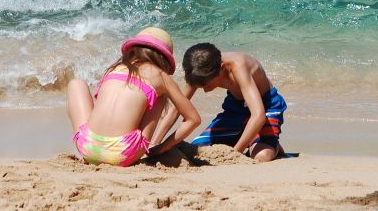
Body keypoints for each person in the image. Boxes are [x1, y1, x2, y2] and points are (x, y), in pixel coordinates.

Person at [66, 27, 201, 166]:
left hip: (88, 148)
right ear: (164, 58)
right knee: (159, 95)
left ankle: (92, 144)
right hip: (123, 153)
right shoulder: (160, 76)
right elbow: (194, 119)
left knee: (76, 83)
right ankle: (153, 144)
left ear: (132, 50)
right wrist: (162, 148)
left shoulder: (114, 69)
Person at [154, 43, 288, 162]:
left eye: (205, 84)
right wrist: (155, 143)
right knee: (198, 148)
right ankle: (252, 138)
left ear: (222, 68)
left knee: (261, 156)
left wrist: (234, 153)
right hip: (235, 109)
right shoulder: (198, 69)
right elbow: (177, 108)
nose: (204, 90)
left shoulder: (238, 67)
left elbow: (258, 116)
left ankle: (271, 144)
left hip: (266, 107)